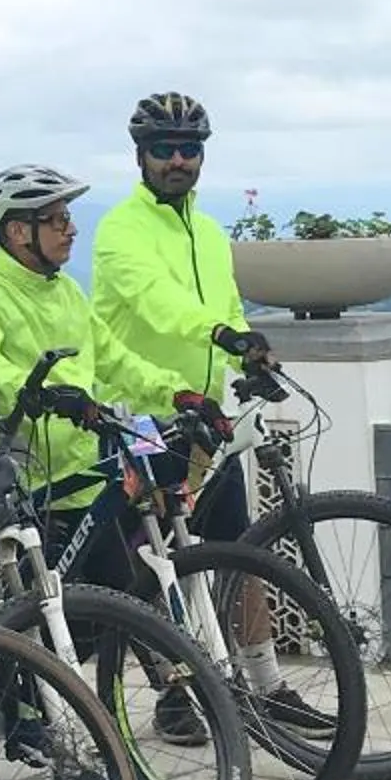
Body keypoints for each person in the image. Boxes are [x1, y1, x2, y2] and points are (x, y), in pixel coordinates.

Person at [90, 92, 318, 720]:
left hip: (206, 421)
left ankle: (267, 686)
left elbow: (228, 311)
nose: (178, 160)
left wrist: (246, 349)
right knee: (158, 565)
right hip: (140, 420)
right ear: (141, 156)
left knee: (240, 549)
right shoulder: (120, 230)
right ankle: (176, 694)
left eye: (189, 149)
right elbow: (155, 302)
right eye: (163, 149)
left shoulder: (212, 234)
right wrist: (219, 334)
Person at [0, 163, 184, 754]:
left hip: (85, 483)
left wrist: (176, 391)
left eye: (67, 217)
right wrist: (34, 390)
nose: (69, 229)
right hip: (28, 485)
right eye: (54, 220)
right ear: (16, 232)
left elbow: (115, 362)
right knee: (42, 623)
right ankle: (28, 719)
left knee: (108, 616)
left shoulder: (68, 292)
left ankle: (62, 718)